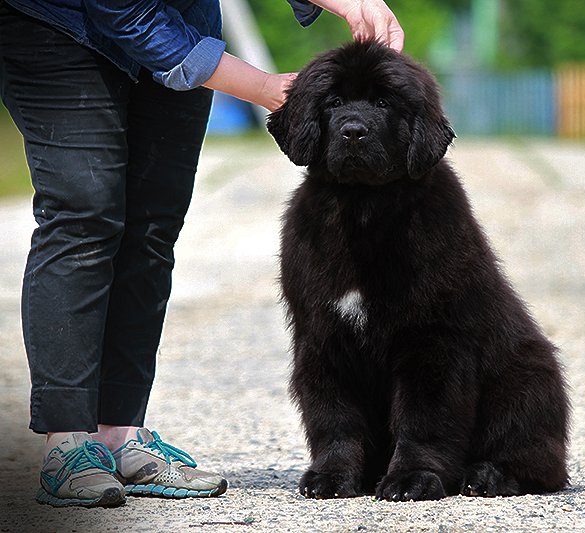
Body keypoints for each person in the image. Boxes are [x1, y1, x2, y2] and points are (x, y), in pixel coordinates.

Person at [0, 0, 403, 508]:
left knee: (152, 224)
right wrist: (265, 89)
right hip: (55, 22)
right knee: (85, 212)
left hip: (182, 21)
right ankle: (68, 443)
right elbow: (127, 14)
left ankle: (119, 435)